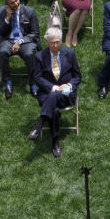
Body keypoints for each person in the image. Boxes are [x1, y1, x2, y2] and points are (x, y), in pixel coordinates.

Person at [28, 28, 81, 158]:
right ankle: (55, 141)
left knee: (54, 97)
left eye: (58, 42)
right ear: (46, 42)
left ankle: (39, 125)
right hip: (47, 93)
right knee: (55, 110)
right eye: (53, 43)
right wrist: (53, 87)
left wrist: (69, 85)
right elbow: (37, 78)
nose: (56, 45)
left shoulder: (70, 53)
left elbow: (77, 76)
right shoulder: (40, 57)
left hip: (65, 95)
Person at [0, 0, 41, 98]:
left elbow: (35, 33)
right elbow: (0, 32)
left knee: (29, 54)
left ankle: (32, 83)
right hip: (8, 40)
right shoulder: (2, 11)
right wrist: (7, 18)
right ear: (7, 4)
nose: (16, 4)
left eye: (17, 0)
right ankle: (8, 82)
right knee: (2, 52)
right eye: (12, 3)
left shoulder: (30, 11)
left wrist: (20, 42)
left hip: (25, 40)